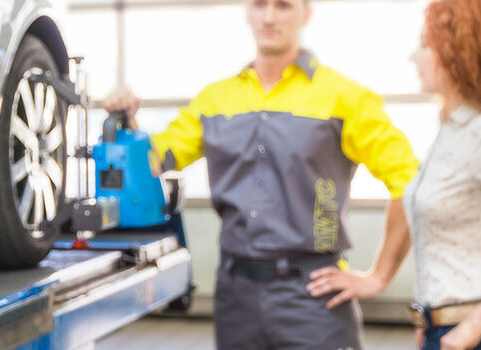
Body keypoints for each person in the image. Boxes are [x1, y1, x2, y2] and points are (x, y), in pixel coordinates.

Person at [103, 0, 420, 348]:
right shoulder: (214, 100)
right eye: (259, 5)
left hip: (313, 295)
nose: (269, 17)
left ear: (305, 14)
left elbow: (411, 183)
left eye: (283, 6)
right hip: (235, 296)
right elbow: (152, 161)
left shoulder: (345, 98)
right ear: (248, 12)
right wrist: (126, 120)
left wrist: (378, 277)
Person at [305, 0, 481, 349]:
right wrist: (427, 310)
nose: (413, 57)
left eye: (424, 45)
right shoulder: (454, 128)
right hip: (447, 329)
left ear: (461, 50)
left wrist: (474, 322)